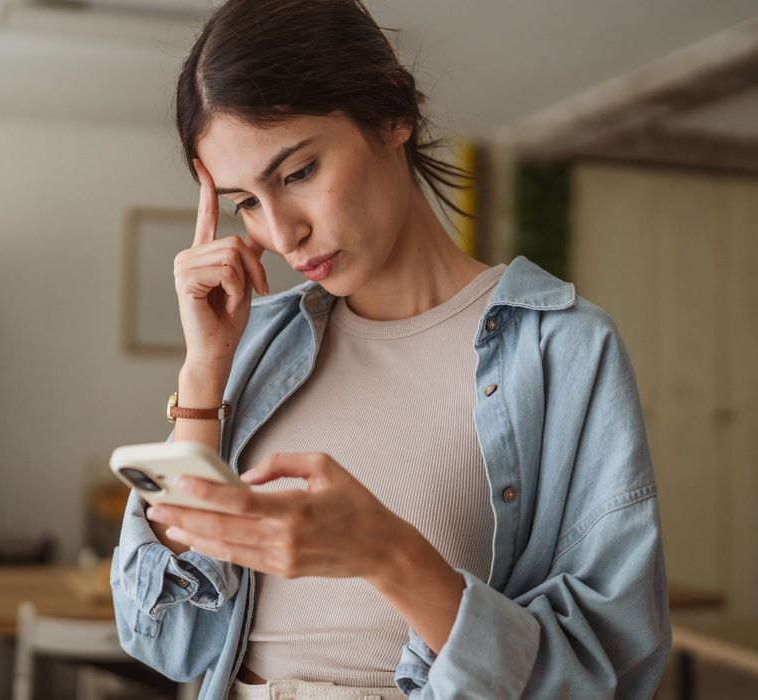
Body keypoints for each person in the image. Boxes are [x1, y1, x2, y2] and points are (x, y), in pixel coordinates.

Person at [111, 1, 671, 698]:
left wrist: (387, 555)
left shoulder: (563, 350)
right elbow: (163, 638)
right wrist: (203, 374)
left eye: (297, 173)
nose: (282, 235)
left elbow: (607, 671)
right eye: (244, 203)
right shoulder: (257, 345)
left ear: (393, 114)